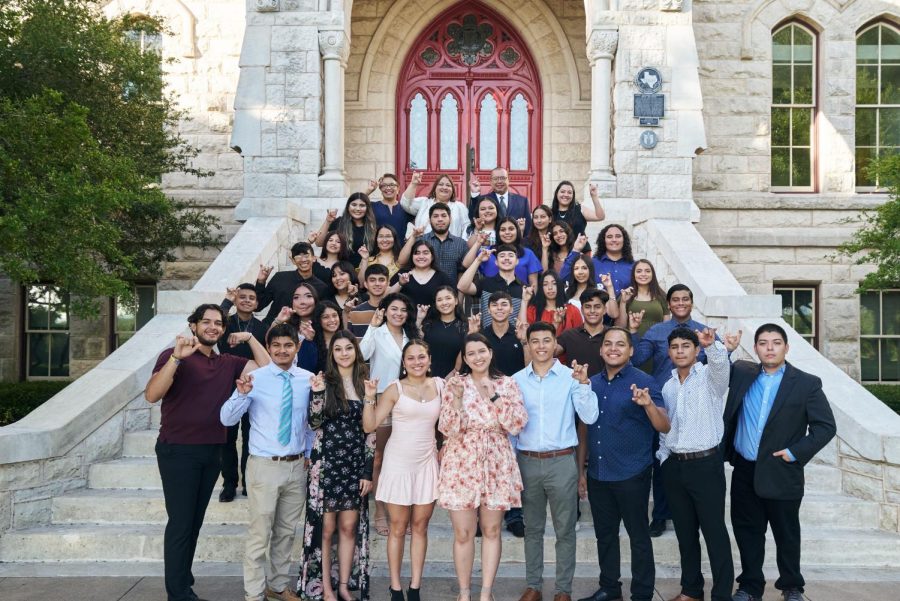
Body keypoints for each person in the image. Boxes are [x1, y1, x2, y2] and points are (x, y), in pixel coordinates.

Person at [145, 304, 266, 601]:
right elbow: (152, 394)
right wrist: (176, 357)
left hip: (212, 451)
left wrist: (250, 340)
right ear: (193, 325)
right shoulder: (175, 356)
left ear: (224, 330)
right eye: (206, 322)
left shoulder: (228, 362)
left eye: (218, 323)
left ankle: (183, 579)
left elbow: (267, 368)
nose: (212, 327)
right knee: (181, 522)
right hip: (178, 451)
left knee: (194, 522)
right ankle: (178, 594)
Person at [723, 324, 836, 601]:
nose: (769, 348)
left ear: (787, 347)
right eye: (763, 343)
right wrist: (724, 351)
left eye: (776, 342)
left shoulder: (807, 383)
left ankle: (792, 586)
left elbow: (825, 427)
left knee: (786, 533)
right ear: (756, 348)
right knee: (748, 533)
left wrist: (795, 453)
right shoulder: (742, 372)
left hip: (782, 470)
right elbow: (713, 373)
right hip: (745, 470)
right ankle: (750, 586)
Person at [220, 323, 311, 601]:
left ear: (297, 347)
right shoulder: (254, 378)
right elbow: (226, 419)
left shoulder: (308, 379)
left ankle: (278, 585)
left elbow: (309, 423)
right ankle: (254, 593)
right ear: (269, 348)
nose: (282, 350)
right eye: (276, 345)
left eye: (288, 345)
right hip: (264, 466)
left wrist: (307, 454)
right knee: (259, 534)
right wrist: (241, 394)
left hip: (296, 467)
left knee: (285, 532)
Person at [577, 327, 670, 601]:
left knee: (638, 537)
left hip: (632, 473)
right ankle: (609, 588)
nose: (613, 348)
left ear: (631, 350)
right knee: (605, 536)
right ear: (601, 349)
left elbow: (664, 425)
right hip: (598, 473)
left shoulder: (645, 381)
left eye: (620, 344)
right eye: (608, 344)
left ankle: (642, 593)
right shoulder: (590, 383)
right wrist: (581, 470)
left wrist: (647, 405)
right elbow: (584, 429)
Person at [439, 333, 529, 601]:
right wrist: (455, 401)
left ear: (490, 352)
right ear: (465, 359)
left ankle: (486, 593)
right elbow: (447, 428)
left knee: (491, 530)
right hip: (461, 461)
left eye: (482, 351)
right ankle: (464, 593)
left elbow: (517, 424)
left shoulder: (507, 384)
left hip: (496, 462)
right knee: (463, 533)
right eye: (471, 354)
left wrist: (496, 399)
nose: (478, 357)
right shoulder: (455, 384)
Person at [513, 322, 599, 601]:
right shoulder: (516, 380)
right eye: (534, 341)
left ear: (555, 344)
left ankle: (563, 590)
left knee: (565, 530)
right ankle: (533, 586)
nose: (540, 346)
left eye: (546, 340)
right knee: (533, 528)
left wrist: (584, 384)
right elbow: (513, 426)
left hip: (562, 461)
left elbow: (589, 416)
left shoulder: (570, 377)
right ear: (528, 344)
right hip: (527, 461)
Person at [629, 283, 719, 537]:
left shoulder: (704, 332)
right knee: (663, 459)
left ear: (691, 303)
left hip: (695, 407)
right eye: (675, 300)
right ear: (668, 304)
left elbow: (720, 364)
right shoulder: (657, 331)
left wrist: (728, 348)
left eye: (685, 299)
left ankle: (695, 515)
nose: (680, 303)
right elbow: (637, 359)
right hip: (662, 401)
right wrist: (634, 332)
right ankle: (660, 515)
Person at [659, 327, 741, 601]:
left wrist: (714, 347)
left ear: (696, 351)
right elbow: (666, 427)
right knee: (685, 534)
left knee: (714, 533)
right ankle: (691, 591)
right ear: (669, 352)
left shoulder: (709, 378)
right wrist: (664, 459)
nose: (680, 351)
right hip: (675, 466)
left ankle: (721, 595)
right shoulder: (668, 386)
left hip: (706, 465)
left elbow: (720, 368)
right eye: (675, 346)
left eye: (686, 346)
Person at [362, 340, 443, 601]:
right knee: (398, 527)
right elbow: (369, 425)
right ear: (404, 363)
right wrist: (369, 397)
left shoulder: (441, 385)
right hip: (397, 464)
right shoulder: (394, 389)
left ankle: (415, 586)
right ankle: (396, 587)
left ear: (429, 359)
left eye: (422, 357)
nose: (417, 362)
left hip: (426, 462)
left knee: (420, 527)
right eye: (411, 358)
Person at [298, 331, 376, 601]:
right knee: (327, 528)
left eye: (348, 348)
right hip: (328, 464)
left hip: (354, 464)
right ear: (332, 354)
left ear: (356, 351)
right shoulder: (324, 382)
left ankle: (343, 585)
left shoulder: (365, 383)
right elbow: (315, 423)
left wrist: (367, 471)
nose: (344, 353)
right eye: (338, 349)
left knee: (348, 527)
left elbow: (370, 432)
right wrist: (318, 394)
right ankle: (326, 588)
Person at [359, 293, 420, 536]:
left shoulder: (412, 336)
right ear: (385, 310)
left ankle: (404, 511)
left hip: (407, 400)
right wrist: (372, 327)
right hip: (382, 398)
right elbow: (362, 354)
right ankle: (381, 511)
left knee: (405, 457)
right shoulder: (377, 331)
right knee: (379, 458)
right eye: (394, 309)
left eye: (403, 310)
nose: (398, 314)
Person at [218, 284, 267, 502]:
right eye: (242, 297)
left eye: (251, 298)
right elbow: (214, 319)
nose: (247, 300)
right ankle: (229, 482)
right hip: (225, 385)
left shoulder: (261, 327)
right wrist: (227, 301)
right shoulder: (225, 323)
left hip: (254, 386)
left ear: (257, 304)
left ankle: (248, 481)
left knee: (250, 435)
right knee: (227, 437)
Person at [255, 242, 329, 324]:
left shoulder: (322, 287)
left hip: (302, 332)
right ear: (293, 260)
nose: (303, 259)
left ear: (314, 258)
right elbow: (258, 306)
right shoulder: (280, 278)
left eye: (306, 255)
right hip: (272, 328)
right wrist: (261, 282)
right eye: (298, 256)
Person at [462, 217, 542, 289]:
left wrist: (530, 303)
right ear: (498, 233)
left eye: (511, 229)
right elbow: (466, 264)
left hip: (520, 299)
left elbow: (533, 284)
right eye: (503, 230)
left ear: (517, 231)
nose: (507, 232)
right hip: (491, 300)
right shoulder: (488, 252)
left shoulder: (528, 254)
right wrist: (478, 243)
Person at [458, 245, 525, 328]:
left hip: (514, 338)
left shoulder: (524, 288)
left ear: (517, 261)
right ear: (496, 262)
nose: (506, 258)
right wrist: (478, 260)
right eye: (502, 255)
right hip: (487, 337)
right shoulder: (485, 282)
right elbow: (462, 286)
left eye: (511, 255)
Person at [315, 193, 378, 268]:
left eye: (362, 205)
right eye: (354, 205)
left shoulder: (372, 227)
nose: (357, 209)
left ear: (367, 208)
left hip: (364, 272)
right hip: (340, 272)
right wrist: (328, 221)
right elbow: (319, 243)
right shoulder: (339, 222)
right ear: (348, 206)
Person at [401, 172, 470, 239]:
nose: (444, 187)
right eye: (441, 184)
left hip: (451, 248)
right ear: (434, 189)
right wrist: (414, 184)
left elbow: (466, 227)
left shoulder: (459, 207)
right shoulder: (424, 202)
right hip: (423, 248)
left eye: (448, 185)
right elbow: (406, 204)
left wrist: (461, 245)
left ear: (452, 191)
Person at [557, 289, 609, 377]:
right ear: (582, 309)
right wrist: (556, 324)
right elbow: (549, 352)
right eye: (588, 307)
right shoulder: (569, 335)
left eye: (597, 307)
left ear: (604, 310)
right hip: (575, 388)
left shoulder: (612, 335)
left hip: (605, 389)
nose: (592, 311)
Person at [419, 285, 468, 378]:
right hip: (428, 377)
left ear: (456, 301)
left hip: (455, 378)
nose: (444, 302)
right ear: (436, 304)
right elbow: (415, 343)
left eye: (448, 298)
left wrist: (454, 373)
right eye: (439, 300)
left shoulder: (464, 327)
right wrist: (419, 319)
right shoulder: (428, 324)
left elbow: (466, 352)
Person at [270, 283, 320, 372]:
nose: (302, 302)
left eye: (308, 296)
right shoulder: (286, 327)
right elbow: (268, 344)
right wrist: (278, 321)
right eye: (296, 297)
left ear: (315, 300)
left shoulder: (324, 324)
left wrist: (310, 340)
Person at [417, 202, 469, 285]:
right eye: (435, 216)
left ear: (450, 219)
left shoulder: (461, 244)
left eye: (444, 215)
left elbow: (463, 272)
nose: (440, 219)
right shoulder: (420, 241)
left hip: (451, 295)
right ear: (430, 220)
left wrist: (459, 297)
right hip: (424, 293)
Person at [390, 240, 453, 308]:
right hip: (404, 317)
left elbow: (451, 300)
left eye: (425, 253)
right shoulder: (402, 273)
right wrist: (400, 284)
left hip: (433, 318)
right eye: (417, 253)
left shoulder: (442, 277)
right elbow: (387, 297)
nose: (421, 256)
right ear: (412, 256)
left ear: (432, 257)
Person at [469, 168, 532, 235]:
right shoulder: (483, 200)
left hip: (514, 243)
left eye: (502, 178)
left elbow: (528, 227)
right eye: (495, 179)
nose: (499, 181)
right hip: (490, 241)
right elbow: (473, 217)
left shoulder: (522, 201)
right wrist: (475, 194)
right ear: (490, 181)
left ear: (508, 180)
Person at [615, 259, 669, 337]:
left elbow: (666, 326)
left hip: (656, 344)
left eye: (647, 271)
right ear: (633, 275)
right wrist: (623, 302)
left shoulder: (661, 296)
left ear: (652, 274)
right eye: (639, 271)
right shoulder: (626, 295)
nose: (643, 274)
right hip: (632, 343)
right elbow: (620, 327)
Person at [524, 271, 583, 336]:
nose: (550, 288)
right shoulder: (533, 311)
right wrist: (524, 301)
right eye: (545, 284)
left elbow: (580, 337)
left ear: (559, 286)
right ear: (541, 288)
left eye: (554, 283)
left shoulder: (572, 310)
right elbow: (524, 335)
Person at [345, 264, 390, 338]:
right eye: (372, 280)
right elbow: (350, 341)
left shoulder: (394, 312)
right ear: (366, 284)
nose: (377, 284)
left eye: (381, 280)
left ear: (388, 283)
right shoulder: (355, 312)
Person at [591, 224, 634, 296]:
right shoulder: (592, 263)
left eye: (618, 236)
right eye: (609, 237)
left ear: (624, 240)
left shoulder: (633, 265)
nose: (614, 240)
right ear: (603, 240)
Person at [312, 300, 344, 372]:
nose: (332, 320)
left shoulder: (346, 339)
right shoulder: (313, 344)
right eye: (326, 317)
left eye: (334, 315)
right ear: (318, 320)